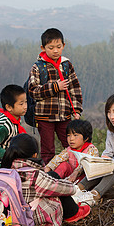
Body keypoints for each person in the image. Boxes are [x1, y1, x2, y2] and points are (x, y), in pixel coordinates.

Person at [0, 133, 90, 226]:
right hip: (29, 219)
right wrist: (72, 186)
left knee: (52, 177)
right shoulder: (34, 176)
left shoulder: (4, 172)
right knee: (55, 190)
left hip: (6, 217)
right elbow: (69, 189)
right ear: (34, 155)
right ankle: (74, 213)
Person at [27, 28, 83, 165]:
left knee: (70, 144)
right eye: (51, 48)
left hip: (64, 114)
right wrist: (55, 87)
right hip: (44, 116)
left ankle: (74, 169)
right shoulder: (38, 67)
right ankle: (48, 174)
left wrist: (76, 110)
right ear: (43, 47)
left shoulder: (66, 65)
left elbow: (75, 88)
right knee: (48, 149)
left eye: (58, 47)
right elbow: (33, 91)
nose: (55, 51)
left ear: (64, 45)